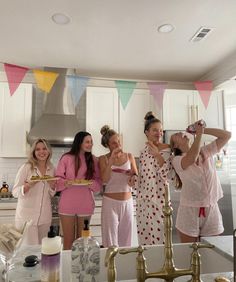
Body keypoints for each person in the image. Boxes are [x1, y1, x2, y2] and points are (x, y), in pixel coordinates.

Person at [170, 122, 231, 243]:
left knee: (212, 251)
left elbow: (227, 135)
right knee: (190, 253)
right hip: (189, 211)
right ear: (175, 145)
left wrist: (203, 129)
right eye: (177, 134)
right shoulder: (176, 160)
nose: (181, 133)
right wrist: (199, 134)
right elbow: (191, 158)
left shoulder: (205, 151)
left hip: (211, 208)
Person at [56, 131, 101, 250]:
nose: (90, 144)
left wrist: (91, 183)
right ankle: (67, 268)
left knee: (82, 241)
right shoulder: (66, 158)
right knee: (68, 241)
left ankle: (80, 268)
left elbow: (98, 185)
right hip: (67, 204)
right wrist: (65, 182)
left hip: (86, 204)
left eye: (91, 142)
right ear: (79, 142)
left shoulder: (93, 160)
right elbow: (57, 181)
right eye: (87, 142)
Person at [135, 111, 174, 245]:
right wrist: (133, 179)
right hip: (143, 202)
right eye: (155, 130)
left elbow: (169, 175)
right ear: (147, 132)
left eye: (161, 130)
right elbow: (142, 177)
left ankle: (163, 266)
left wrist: (158, 155)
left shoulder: (168, 150)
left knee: (161, 240)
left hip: (160, 201)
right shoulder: (143, 152)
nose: (159, 133)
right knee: (144, 240)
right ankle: (147, 266)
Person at [99, 125, 138, 247]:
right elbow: (104, 180)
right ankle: (110, 266)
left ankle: (124, 266)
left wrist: (133, 178)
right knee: (110, 243)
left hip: (128, 202)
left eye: (119, 142)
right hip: (110, 203)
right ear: (108, 145)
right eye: (114, 143)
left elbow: (136, 178)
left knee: (126, 242)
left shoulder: (129, 156)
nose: (118, 145)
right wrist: (111, 160)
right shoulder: (103, 159)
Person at [12, 138, 56, 245]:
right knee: (28, 252)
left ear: (48, 151)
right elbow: (15, 192)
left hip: (44, 217)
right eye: (38, 149)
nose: (41, 152)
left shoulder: (51, 168)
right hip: (27, 218)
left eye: (44, 148)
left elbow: (51, 193)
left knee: (42, 249)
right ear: (34, 152)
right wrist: (28, 185)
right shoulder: (26, 167)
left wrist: (52, 185)